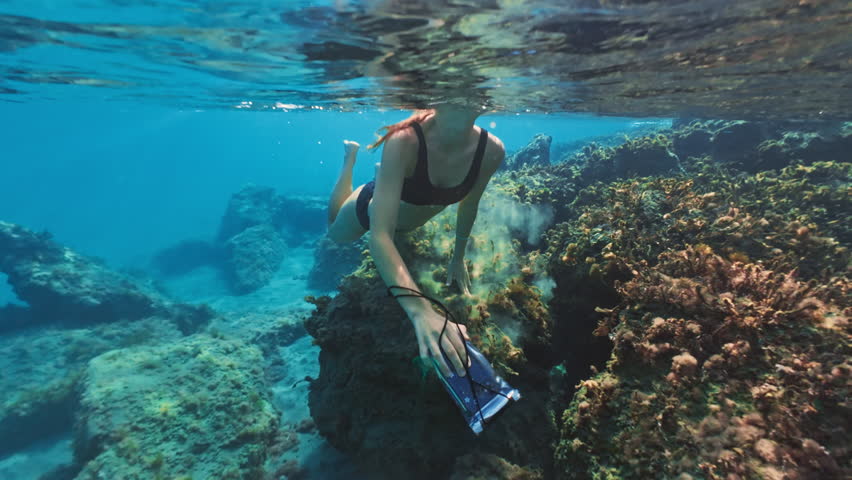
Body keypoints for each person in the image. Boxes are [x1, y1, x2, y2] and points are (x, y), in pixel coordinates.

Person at [326, 104, 505, 379]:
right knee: (335, 233)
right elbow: (380, 235)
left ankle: (387, 174)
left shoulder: (491, 150)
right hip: (370, 210)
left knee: (397, 223)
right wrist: (420, 311)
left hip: (406, 217)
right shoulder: (405, 140)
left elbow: (469, 205)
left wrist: (458, 258)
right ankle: (350, 159)